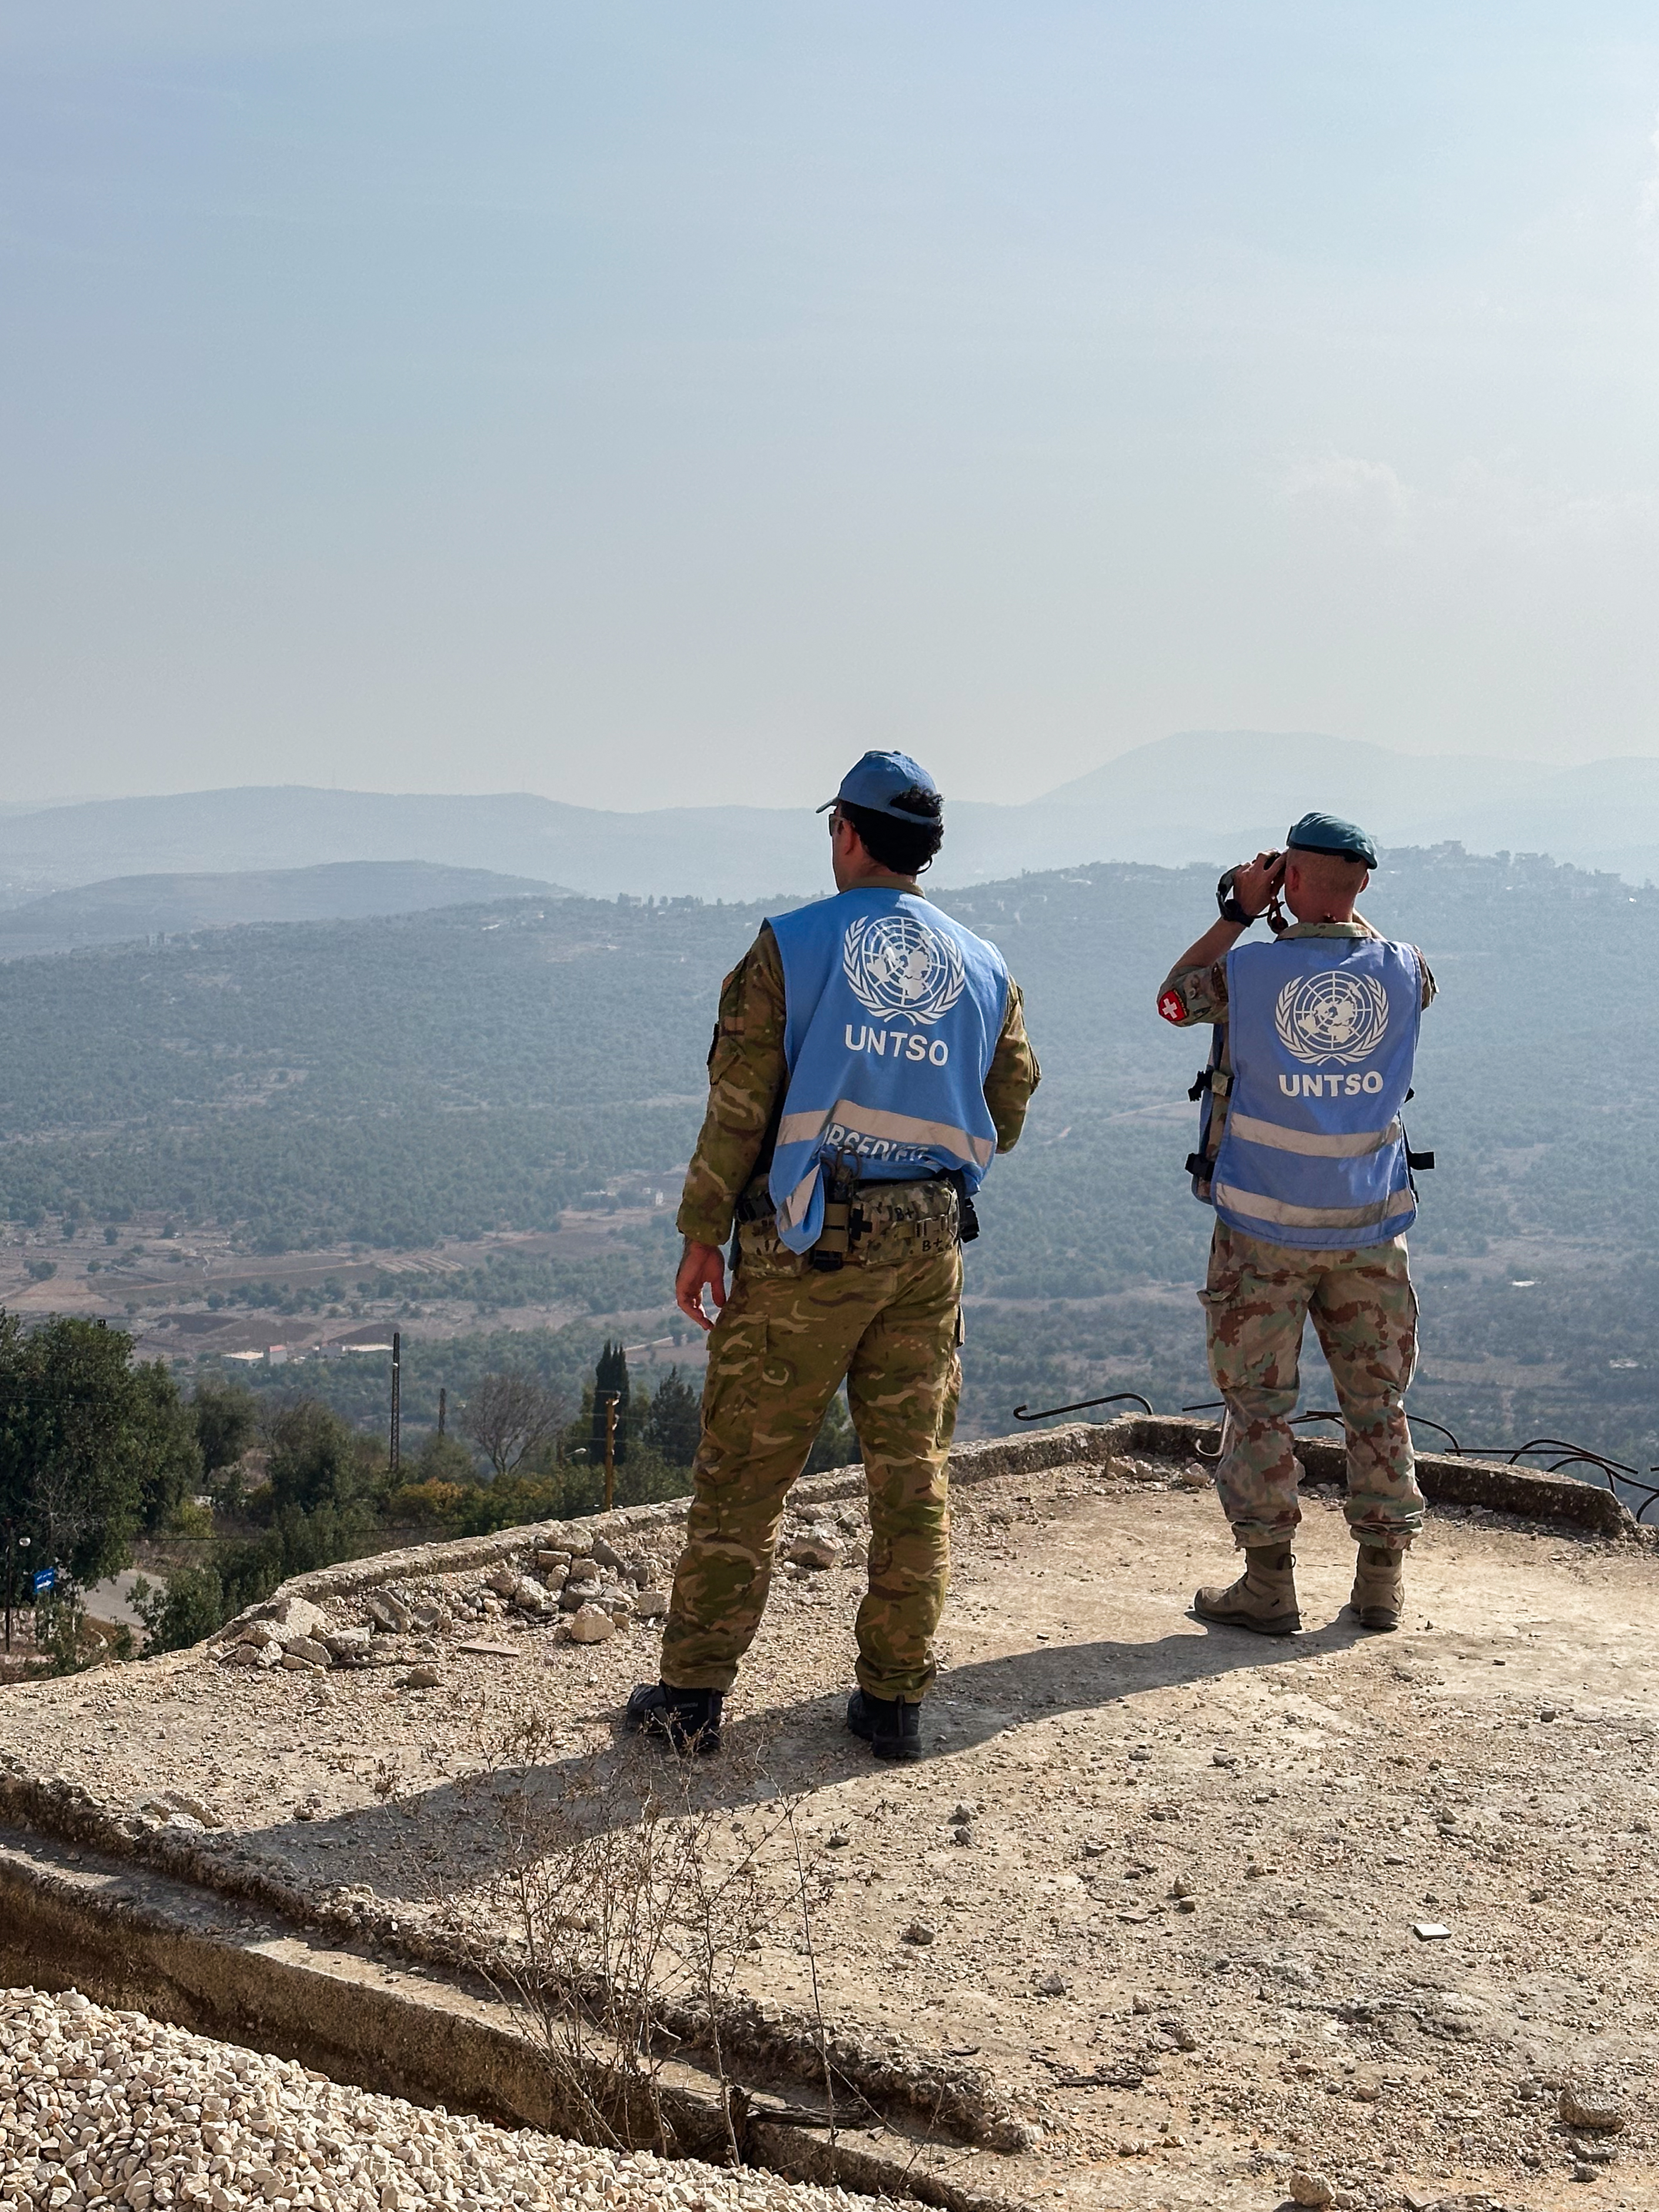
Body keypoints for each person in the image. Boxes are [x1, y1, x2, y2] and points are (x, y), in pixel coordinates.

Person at [626, 750, 1040, 1760]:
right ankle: (894, 1699)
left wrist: (700, 1233)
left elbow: (738, 1108)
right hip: (929, 1243)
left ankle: (690, 1700)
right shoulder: (983, 965)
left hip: (806, 1248)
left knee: (748, 1469)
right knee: (912, 1473)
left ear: (847, 834)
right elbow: (1012, 1105)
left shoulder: (790, 946)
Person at [1156, 813, 1437, 1635]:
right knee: (1375, 1403)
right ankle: (1380, 1582)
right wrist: (1337, 910)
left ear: (1291, 879)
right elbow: (1371, 943)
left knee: (1257, 1407)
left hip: (1261, 1229)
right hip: (1369, 1227)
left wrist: (1242, 908)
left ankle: (1267, 1583)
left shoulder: (1247, 975)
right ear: (1363, 886)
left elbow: (1174, 996)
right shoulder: (1407, 970)